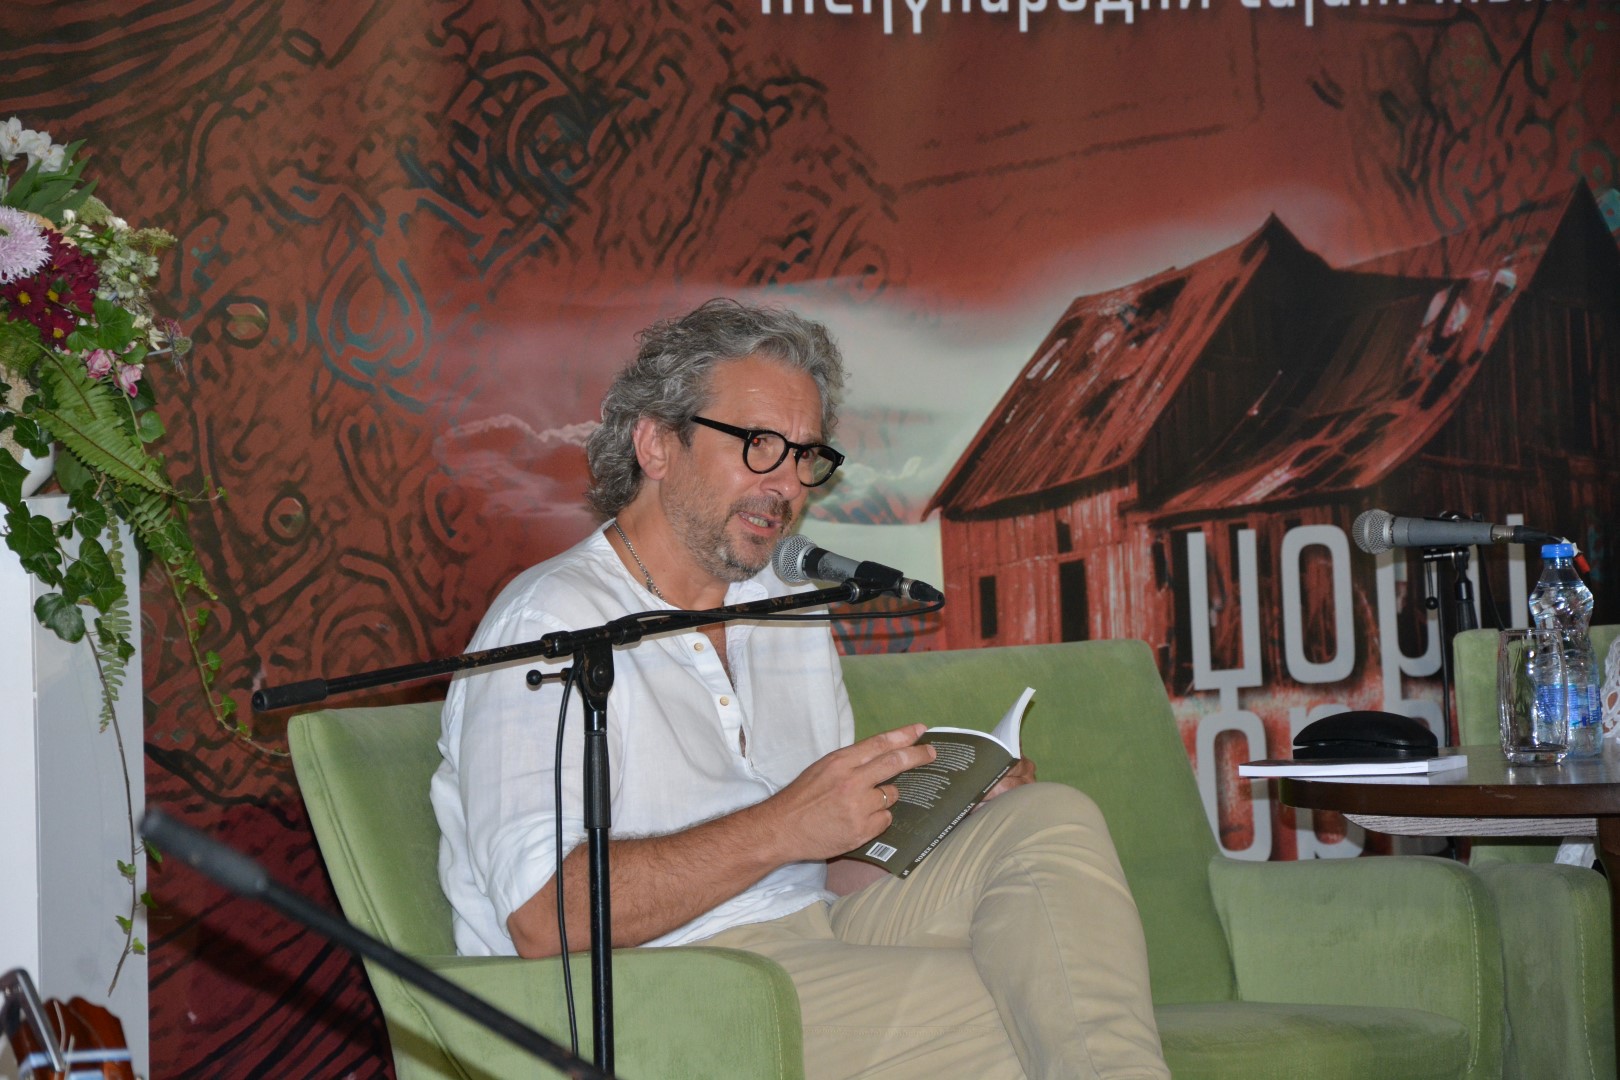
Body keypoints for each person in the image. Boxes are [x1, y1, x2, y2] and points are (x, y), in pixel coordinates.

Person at [431, 298, 1170, 1079]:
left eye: (805, 455)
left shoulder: (784, 605)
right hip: (659, 986)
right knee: (1018, 1005)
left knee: (1047, 820)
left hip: (816, 931)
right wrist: (783, 826)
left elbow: (824, 868)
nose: (786, 485)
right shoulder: (552, 621)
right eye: (759, 446)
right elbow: (545, 919)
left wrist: (937, 820)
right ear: (656, 443)